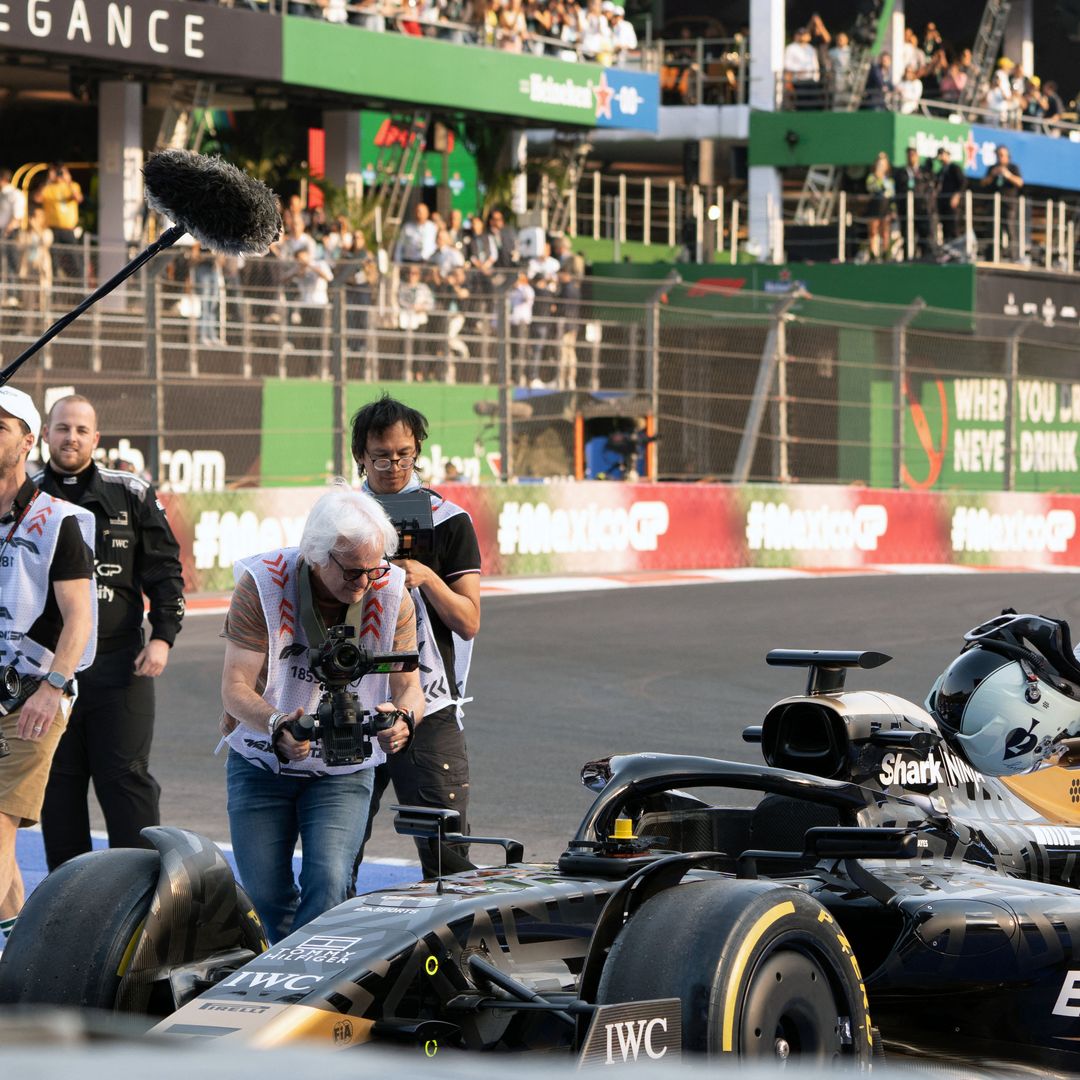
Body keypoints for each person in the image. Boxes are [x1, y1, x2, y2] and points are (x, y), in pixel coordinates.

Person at [220, 483, 424, 943]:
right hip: (261, 760)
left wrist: (404, 720)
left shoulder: (390, 589)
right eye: (353, 572)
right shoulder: (262, 583)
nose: (365, 583)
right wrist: (276, 724)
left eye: (375, 569)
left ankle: (307, 987)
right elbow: (233, 688)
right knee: (265, 894)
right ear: (315, 555)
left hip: (344, 767)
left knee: (329, 882)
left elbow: (410, 685)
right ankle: (289, 965)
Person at [35, 394, 184, 872]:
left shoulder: (131, 492)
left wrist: (162, 636)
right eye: (62, 428)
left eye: (81, 430)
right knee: (57, 787)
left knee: (126, 781)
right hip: (45, 672)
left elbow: (165, 570)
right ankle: (67, 904)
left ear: (96, 438)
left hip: (120, 666)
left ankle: (142, 902)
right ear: (45, 435)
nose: (71, 437)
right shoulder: (27, 496)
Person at [350, 395, 481, 880]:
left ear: (418, 451)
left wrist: (427, 577)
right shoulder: (339, 518)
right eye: (381, 456)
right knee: (335, 855)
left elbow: (468, 620)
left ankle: (458, 954)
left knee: (448, 856)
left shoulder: (449, 521)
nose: (393, 466)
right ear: (360, 456)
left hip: (430, 702)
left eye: (405, 455)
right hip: (350, 701)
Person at [0, 386, 96, 942]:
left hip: (33, 694)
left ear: (28, 441)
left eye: (2, 427)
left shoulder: (58, 520)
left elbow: (79, 618)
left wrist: (53, 686)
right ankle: (17, 950)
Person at [36, 163, 83, 280]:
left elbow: (78, 198)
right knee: (54, 262)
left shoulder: (73, 186)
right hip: (53, 230)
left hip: (68, 230)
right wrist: (48, 180)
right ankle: (56, 291)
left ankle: (81, 289)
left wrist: (68, 181)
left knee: (75, 261)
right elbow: (37, 198)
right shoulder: (49, 188)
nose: (59, 175)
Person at [980, 144, 1023, 260]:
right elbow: (983, 183)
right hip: (993, 204)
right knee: (993, 230)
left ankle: (1015, 257)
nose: (1000, 157)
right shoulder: (992, 168)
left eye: (1002, 155)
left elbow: (1020, 182)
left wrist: (1008, 175)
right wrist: (992, 175)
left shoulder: (1013, 167)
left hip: (1008, 204)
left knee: (1010, 230)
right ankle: (992, 256)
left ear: (1007, 156)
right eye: (998, 155)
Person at [893, 147, 933, 260]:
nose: (911, 157)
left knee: (924, 234)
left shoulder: (924, 171)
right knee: (907, 235)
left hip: (922, 208)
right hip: (906, 208)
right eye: (909, 155)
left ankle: (926, 258)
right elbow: (898, 189)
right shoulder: (901, 172)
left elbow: (929, 187)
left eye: (914, 154)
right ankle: (908, 259)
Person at [931, 146, 966, 249]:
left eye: (943, 154)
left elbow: (963, 182)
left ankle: (956, 249)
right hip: (943, 203)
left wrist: (957, 195)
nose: (941, 157)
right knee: (945, 227)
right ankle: (947, 249)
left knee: (953, 227)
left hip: (953, 203)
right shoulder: (941, 171)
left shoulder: (954, 168)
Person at [864, 153, 895, 262]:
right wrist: (878, 178)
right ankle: (873, 254)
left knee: (885, 231)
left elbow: (891, 193)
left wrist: (893, 209)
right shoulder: (871, 177)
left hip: (885, 207)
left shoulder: (889, 179)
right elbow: (870, 187)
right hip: (874, 206)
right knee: (873, 230)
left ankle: (886, 254)